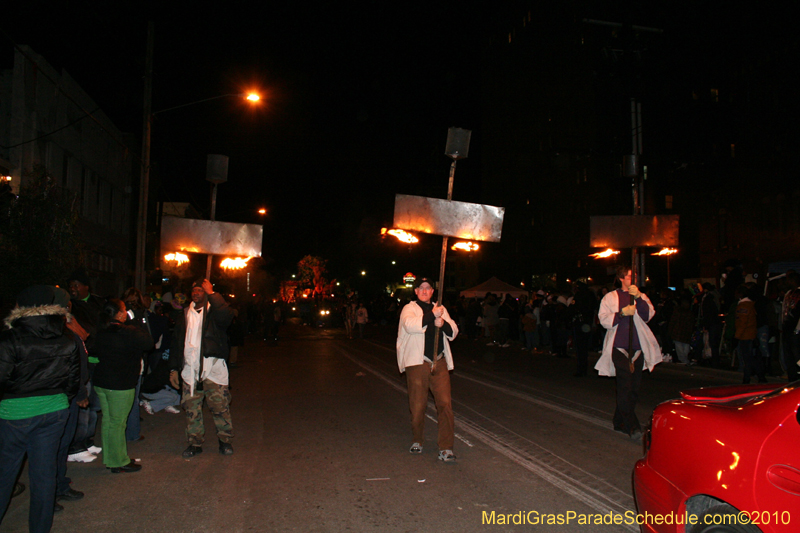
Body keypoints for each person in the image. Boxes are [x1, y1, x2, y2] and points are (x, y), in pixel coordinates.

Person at [0, 285, 80, 533]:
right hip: (54, 412)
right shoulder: (66, 337)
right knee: (44, 476)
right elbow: (73, 381)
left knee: (5, 474)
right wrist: (58, 400)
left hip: (14, 413)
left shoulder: (10, 338)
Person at [169, 279, 235, 458]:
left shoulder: (214, 312)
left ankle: (225, 440)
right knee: (192, 409)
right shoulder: (185, 314)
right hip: (190, 369)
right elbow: (176, 343)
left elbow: (226, 317)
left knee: (220, 407)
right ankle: (194, 442)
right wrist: (173, 368)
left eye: (200, 290)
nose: (196, 293)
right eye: (194, 290)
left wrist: (213, 294)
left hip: (213, 369)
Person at [396, 277, 459, 462]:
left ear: (433, 291)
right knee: (417, 405)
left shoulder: (440, 308)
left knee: (445, 404)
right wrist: (432, 316)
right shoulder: (409, 308)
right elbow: (410, 326)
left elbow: (453, 331)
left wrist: (443, 323)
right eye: (421, 288)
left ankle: (446, 448)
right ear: (416, 291)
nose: (424, 291)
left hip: (439, 361)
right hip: (418, 362)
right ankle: (417, 439)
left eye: (428, 288)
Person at [596, 266, 661, 441]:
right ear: (621, 278)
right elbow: (604, 320)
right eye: (630, 276)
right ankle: (632, 425)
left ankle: (619, 421)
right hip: (619, 348)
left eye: (635, 276)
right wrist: (622, 313)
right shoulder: (610, 297)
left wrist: (638, 297)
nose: (634, 279)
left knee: (633, 389)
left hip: (638, 349)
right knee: (625, 387)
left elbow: (648, 315)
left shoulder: (641, 296)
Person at [91, 298, 153, 473]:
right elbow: (149, 342)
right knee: (117, 423)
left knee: (108, 422)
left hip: (102, 382)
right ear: (119, 314)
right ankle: (119, 461)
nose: (126, 312)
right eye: (124, 309)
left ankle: (112, 458)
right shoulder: (129, 332)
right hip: (120, 384)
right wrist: (135, 322)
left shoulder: (101, 331)